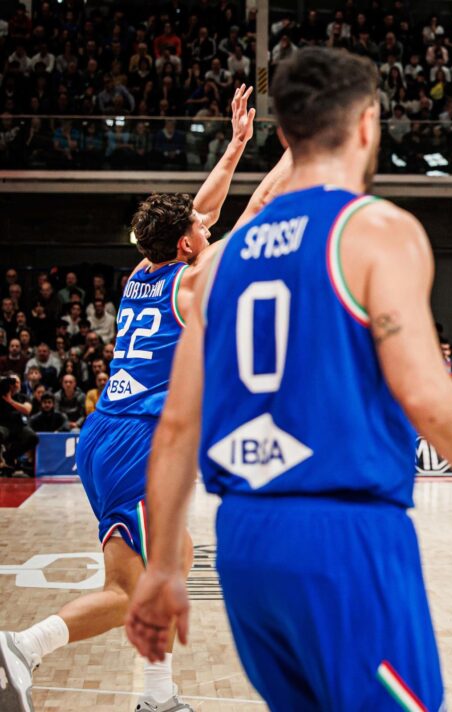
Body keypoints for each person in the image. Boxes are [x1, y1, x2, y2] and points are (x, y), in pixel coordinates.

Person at [123, 49, 452, 711]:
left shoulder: (219, 263)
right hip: (343, 537)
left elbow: (176, 427)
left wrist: (165, 566)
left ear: (286, 135)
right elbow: (425, 394)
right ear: (367, 123)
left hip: (246, 545)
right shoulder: (374, 231)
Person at [0, 85, 289, 712]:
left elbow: (204, 210)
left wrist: (238, 144)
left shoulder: (142, 273)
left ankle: (158, 696)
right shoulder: (194, 281)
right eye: (199, 229)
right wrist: (307, 146)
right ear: (186, 244)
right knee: (129, 591)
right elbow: (259, 206)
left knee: (174, 562)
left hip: (106, 432)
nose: (205, 226)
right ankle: (22, 647)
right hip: (141, 441)